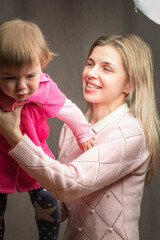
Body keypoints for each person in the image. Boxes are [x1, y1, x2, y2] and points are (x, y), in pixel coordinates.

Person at [0, 33, 160, 240]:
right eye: (90, 63)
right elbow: (64, 203)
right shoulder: (73, 128)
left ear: (130, 84)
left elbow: (68, 186)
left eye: (106, 68)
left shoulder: (129, 133)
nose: (91, 73)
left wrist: (16, 137)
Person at [0, 19, 95, 240]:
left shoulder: (44, 88)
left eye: (30, 75)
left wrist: (83, 133)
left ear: (42, 65)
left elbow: (68, 109)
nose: (21, 86)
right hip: (1, 160)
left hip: (35, 155)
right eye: (10, 78)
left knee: (49, 200)